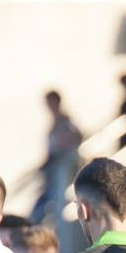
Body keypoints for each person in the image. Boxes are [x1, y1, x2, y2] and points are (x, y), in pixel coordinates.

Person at [34, 92, 83, 227]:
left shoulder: (65, 121)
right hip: (53, 167)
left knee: (55, 200)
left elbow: (76, 138)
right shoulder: (56, 122)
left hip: (61, 168)